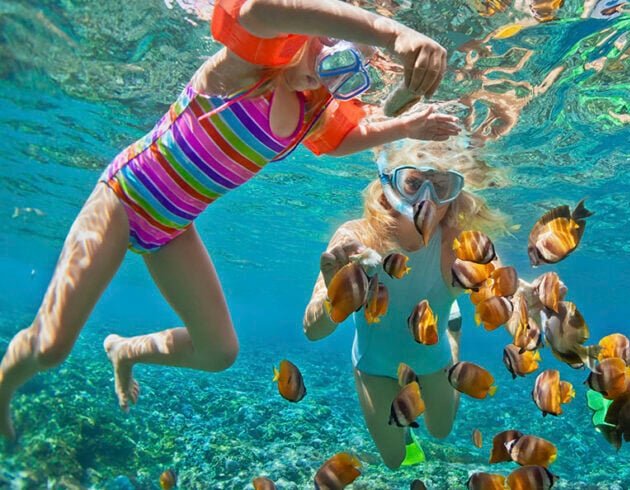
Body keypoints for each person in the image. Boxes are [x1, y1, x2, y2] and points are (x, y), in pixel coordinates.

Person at [0, 0, 462, 441]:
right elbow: (259, 12)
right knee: (51, 346)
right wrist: (394, 34)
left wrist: (405, 126)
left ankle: (125, 350)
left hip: (172, 229)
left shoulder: (308, 110)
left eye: (344, 73)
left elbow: (345, 138)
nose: (325, 68)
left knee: (219, 352)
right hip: (123, 198)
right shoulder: (248, 67)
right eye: (328, 47)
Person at [302, 138, 508, 469]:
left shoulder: (459, 242)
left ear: (454, 195)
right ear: (389, 183)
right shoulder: (356, 237)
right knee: (395, 460)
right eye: (412, 183)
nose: (425, 199)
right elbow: (312, 331)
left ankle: (452, 336)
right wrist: (334, 295)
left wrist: (531, 304)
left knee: (441, 431)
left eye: (441, 186)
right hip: (374, 365)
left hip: (432, 355)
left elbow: (504, 292)